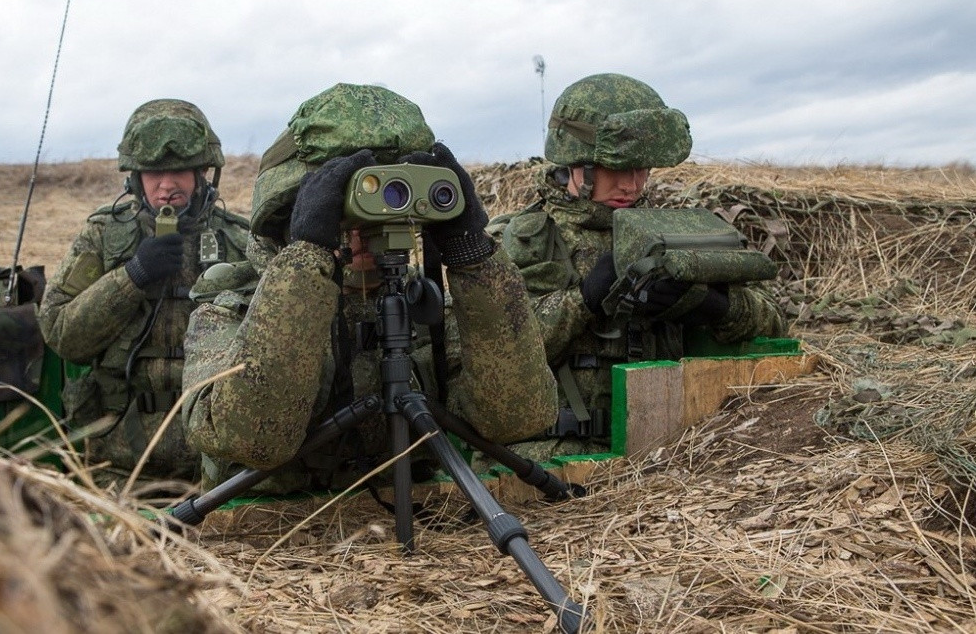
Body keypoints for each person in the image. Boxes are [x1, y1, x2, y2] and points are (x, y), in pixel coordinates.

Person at [179, 83, 557, 492]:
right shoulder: (228, 310)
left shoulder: (424, 307)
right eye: (345, 213)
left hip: (419, 510)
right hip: (271, 520)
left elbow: (519, 419)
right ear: (291, 213)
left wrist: (474, 258)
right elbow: (247, 441)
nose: (366, 232)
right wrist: (306, 261)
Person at [487, 73, 788, 459]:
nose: (632, 184)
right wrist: (583, 300)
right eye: (618, 168)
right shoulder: (516, 239)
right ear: (578, 164)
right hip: (553, 455)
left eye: (642, 168)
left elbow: (774, 325)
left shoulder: (676, 232)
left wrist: (712, 305)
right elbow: (486, 358)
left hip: (671, 447)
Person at [38, 98, 251, 480]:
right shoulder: (104, 235)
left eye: (179, 171)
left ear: (202, 172)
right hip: (117, 462)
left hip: (217, 467)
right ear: (135, 178)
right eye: (153, 173)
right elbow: (61, 333)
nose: (166, 185)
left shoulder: (238, 240)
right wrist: (132, 276)